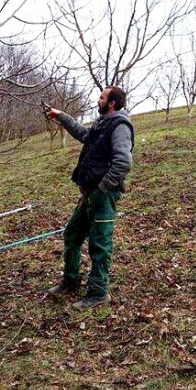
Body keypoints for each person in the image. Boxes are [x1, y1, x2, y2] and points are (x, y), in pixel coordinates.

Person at [44, 86, 134, 310]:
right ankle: (71, 281)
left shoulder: (120, 126)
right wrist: (62, 117)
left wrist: (101, 189)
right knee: (72, 235)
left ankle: (98, 292)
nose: (99, 99)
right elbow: (85, 135)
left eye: (102, 97)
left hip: (102, 195)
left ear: (112, 103)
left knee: (100, 244)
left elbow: (123, 162)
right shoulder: (103, 124)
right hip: (89, 194)